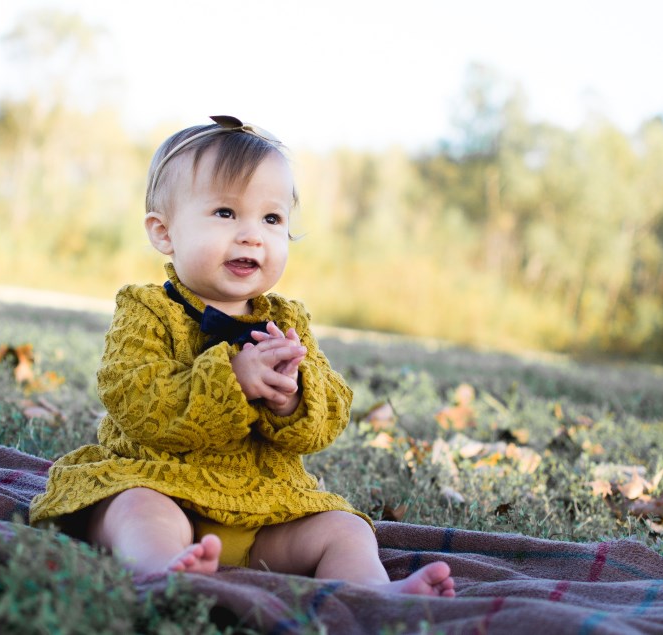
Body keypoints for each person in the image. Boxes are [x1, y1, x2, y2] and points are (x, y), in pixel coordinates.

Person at [29, 116, 454, 597]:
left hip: (264, 510)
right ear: (164, 232)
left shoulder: (287, 321)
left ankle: (374, 594)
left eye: (271, 219)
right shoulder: (146, 310)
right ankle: (162, 571)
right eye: (226, 213)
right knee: (134, 510)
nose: (252, 234)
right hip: (161, 483)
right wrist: (231, 379)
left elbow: (331, 411)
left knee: (345, 528)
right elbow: (136, 397)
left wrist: (292, 398)